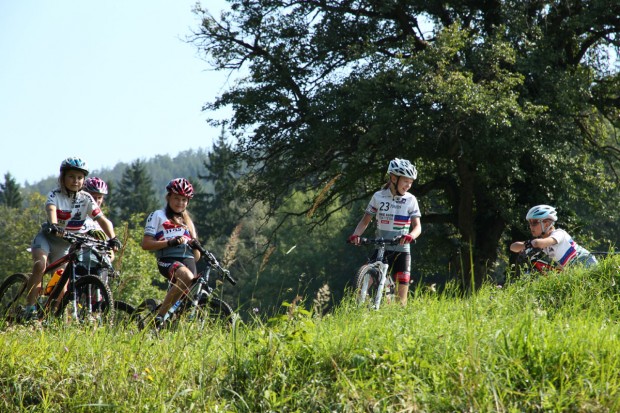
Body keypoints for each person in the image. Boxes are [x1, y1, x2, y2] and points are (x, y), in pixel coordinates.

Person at [22, 158, 121, 320]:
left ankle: (49, 317)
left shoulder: (86, 199)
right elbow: (51, 209)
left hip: (65, 245)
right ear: (63, 177)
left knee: (62, 282)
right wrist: (54, 225)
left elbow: (103, 220)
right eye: (71, 176)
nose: (76, 181)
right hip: (47, 238)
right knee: (40, 265)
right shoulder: (55, 195)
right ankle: (29, 308)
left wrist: (113, 238)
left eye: (79, 177)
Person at [348, 158, 422, 305]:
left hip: (402, 250)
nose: (408, 185)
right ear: (394, 178)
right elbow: (365, 221)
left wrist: (410, 236)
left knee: (400, 302)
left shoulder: (411, 200)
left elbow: (418, 227)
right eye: (406, 181)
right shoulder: (378, 197)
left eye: (411, 182)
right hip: (382, 248)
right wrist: (356, 235)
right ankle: (363, 309)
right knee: (361, 285)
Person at [141, 178, 201, 328]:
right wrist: (170, 242)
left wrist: (196, 246)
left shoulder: (188, 222)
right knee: (186, 276)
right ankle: (158, 319)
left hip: (188, 261)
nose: (180, 203)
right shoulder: (158, 215)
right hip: (167, 259)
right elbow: (146, 244)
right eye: (176, 198)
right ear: (168, 197)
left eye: (183, 200)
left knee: (185, 306)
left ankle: (167, 331)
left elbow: (197, 256)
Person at [510, 204, 597, 270]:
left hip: (587, 262)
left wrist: (530, 244)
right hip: (574, 269)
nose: (531, 226)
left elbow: (537, 243)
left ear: (547, 224)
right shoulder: (543, 243)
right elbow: (513, 247)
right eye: (530, 223)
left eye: (534, 222)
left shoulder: (559, 234)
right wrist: (527, 244)